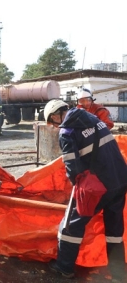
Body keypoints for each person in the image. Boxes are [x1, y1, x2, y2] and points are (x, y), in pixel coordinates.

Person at [43, 99, 127, 280]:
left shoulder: (67, 131)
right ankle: (119, 273)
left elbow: (73, 168)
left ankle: (64, 267)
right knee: (114, 229)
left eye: (52, 122)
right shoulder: (92, 118)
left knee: (71, 225)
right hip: (120, 179)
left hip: (98, 185)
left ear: (56, 115)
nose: (55, 126)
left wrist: (77, 189)